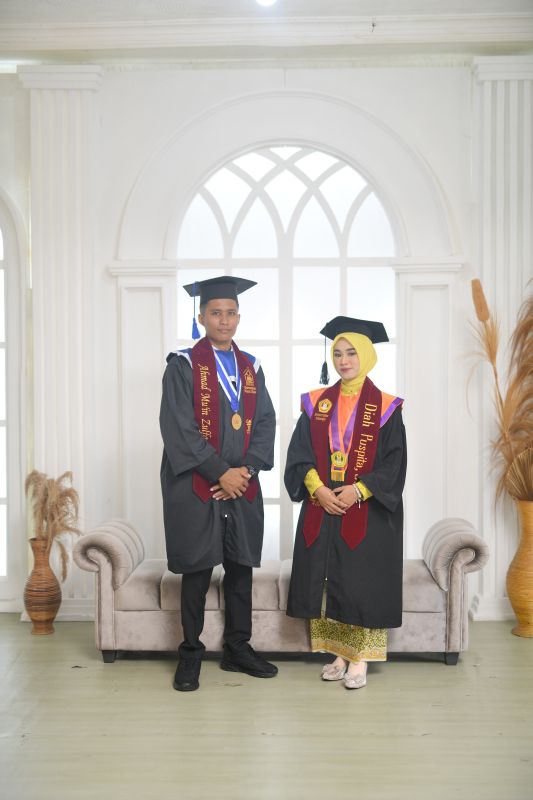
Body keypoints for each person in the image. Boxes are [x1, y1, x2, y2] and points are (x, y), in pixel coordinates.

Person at [160, 276, 278, 691]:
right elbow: (179, 428)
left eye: (230, 313)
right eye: (215, 313)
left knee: (240, 568)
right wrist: (219, 472)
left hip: (242, 484)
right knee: (197, 570)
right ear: (201, 317)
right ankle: (190, 652)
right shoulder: (182, 365)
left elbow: (265, 422)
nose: (224, 320)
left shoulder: (251, 368)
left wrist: (245, 471)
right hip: (198, 485)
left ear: (238, 318)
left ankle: (237, 649)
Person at [284, 316, 406, 689]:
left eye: (351, 352)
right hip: (323, 502)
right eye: (337, 353)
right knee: (328, 579)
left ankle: (361, 658)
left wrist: (360, 489)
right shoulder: (316, 403)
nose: (343, 360)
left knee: (360, 581)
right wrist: (317, 489)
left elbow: (394, 463)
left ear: (366, 355)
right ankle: (338, 652)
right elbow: (299, 453)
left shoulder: (386, 407)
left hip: (366, 507)